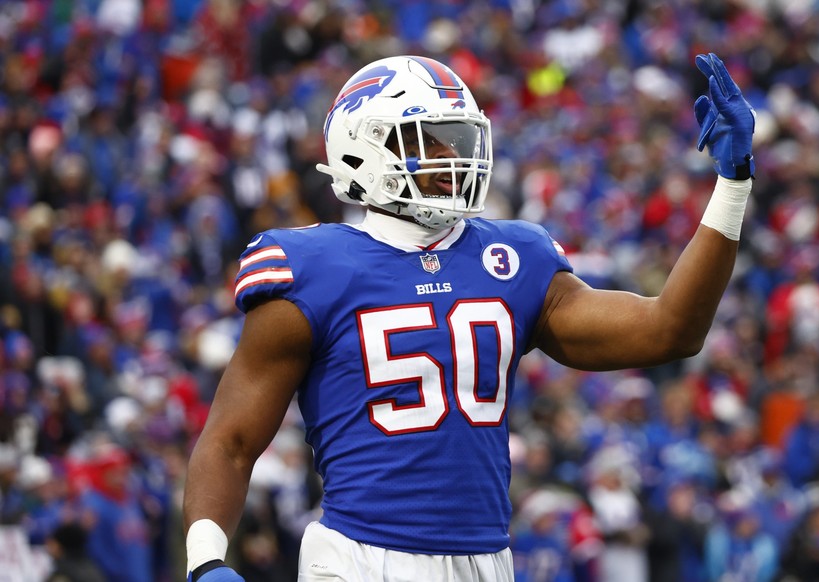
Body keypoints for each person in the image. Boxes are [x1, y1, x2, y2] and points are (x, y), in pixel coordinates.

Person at [182, 53, 756, 582]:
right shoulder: (312, 267)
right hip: (360, 559)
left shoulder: (513, 258)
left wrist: (732, 185)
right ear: (365, 150)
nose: (454, 157)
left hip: (487, 561)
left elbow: (670, 330)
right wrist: (206, 561)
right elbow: (230, 441)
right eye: (430, 142)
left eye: (459, 139)